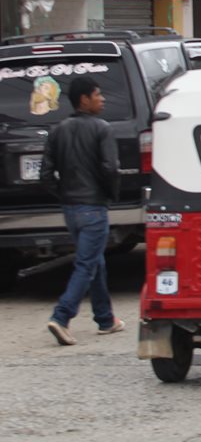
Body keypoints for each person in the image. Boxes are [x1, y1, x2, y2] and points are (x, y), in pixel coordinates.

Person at [42, 77, 124, 346]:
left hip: (71, 210)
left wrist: (63, 194)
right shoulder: (102, 128)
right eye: (98, 95)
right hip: (93, 207)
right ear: (84, 100)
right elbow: (111, 168)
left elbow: (45, 175)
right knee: (86, 264)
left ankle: (105, 319)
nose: (102, 99)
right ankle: (61, 316)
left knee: (94, 259)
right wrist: (111, 194)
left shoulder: (57, 130)